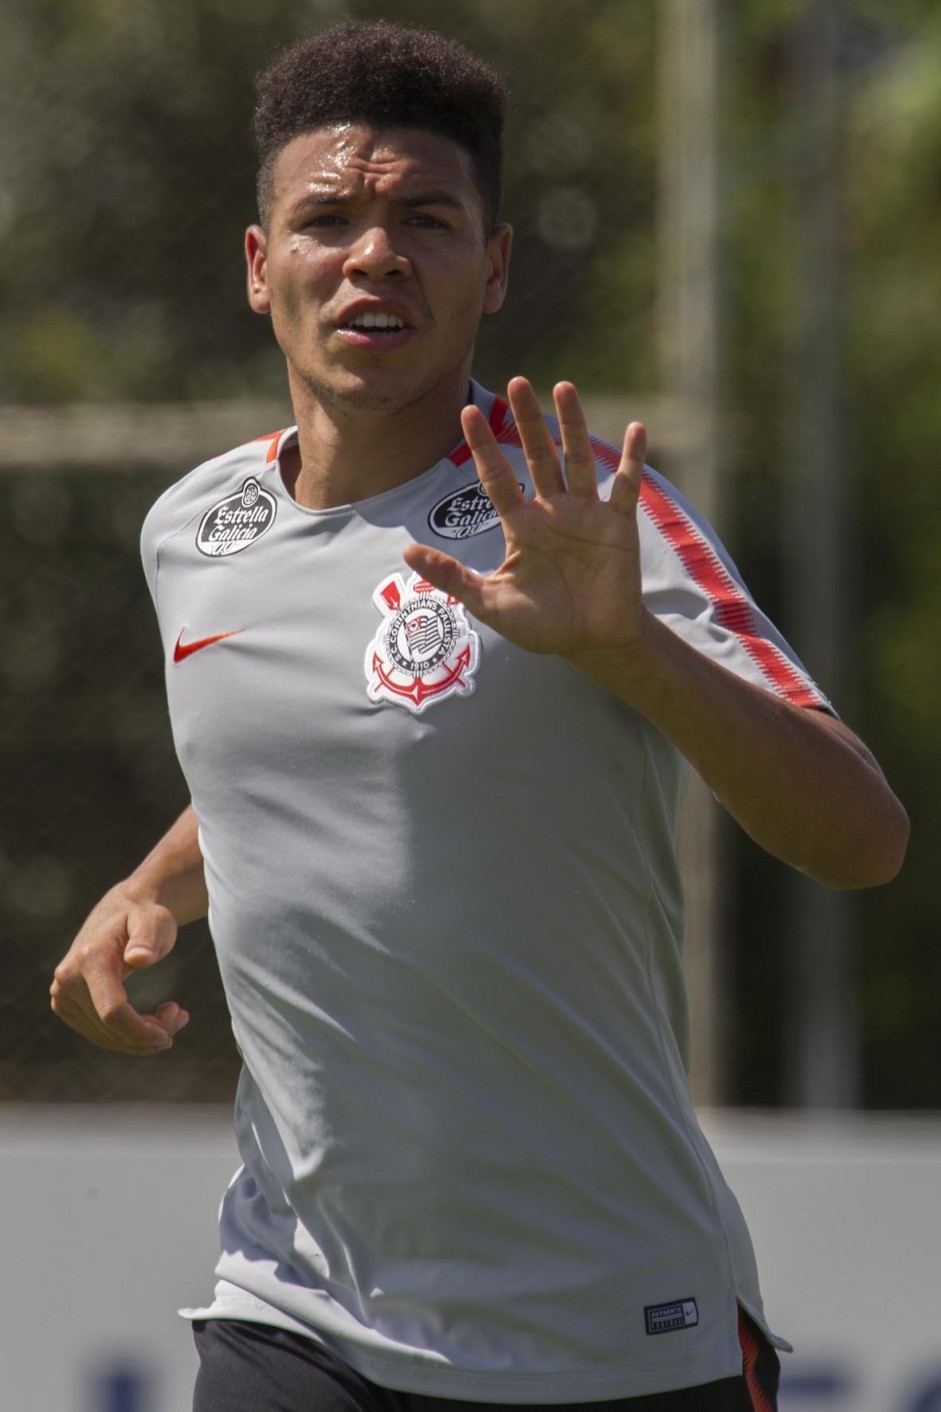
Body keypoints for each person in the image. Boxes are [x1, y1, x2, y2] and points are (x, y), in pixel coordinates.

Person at [50, 20, 908, 1412]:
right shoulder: (192, 529)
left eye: (425, 220)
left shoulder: (584, 526)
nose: (372, 254)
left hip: (610, 1335)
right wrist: (151, 886)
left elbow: (861, 838)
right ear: (261, 266)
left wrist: (628, 650)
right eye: (326, 218)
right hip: (294, 1311)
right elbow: (298, 746)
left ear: (492, 267)